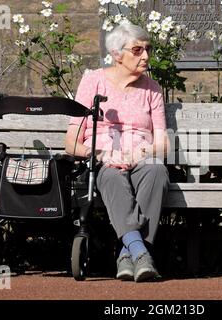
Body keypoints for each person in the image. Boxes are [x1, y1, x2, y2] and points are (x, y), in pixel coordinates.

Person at [65, 22, 171, 282]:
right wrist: (101, 154)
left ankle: (127, 255)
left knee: (157, 171)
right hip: (104, 161)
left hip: (141, 158)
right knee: (112, 177)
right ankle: (141, 252)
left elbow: (163, 143)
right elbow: (71, 143)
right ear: (116, 54)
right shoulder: (93, 82)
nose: (145, 56)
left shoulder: (152, 89)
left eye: (148, 49)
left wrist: (142, 152)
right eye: (137, 50)